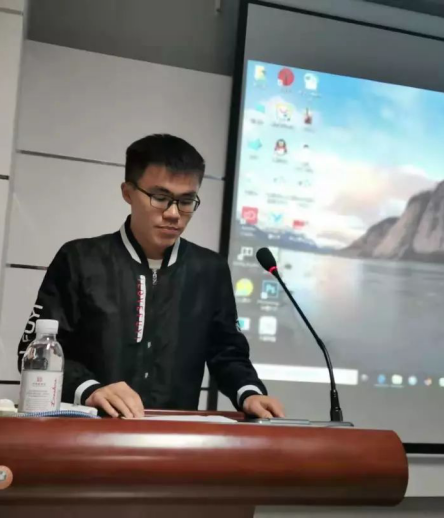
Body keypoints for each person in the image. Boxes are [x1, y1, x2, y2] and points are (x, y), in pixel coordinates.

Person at [17, 134, 285, 420]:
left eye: (186, 201)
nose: (173, 214)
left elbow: (227, 352)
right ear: (128, 192)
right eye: (160, 198)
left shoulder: (209, 269)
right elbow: (33, 353)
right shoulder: (79, 259)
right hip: (91, 430)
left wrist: (250, 393)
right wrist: (90, 389)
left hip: (175, 435)